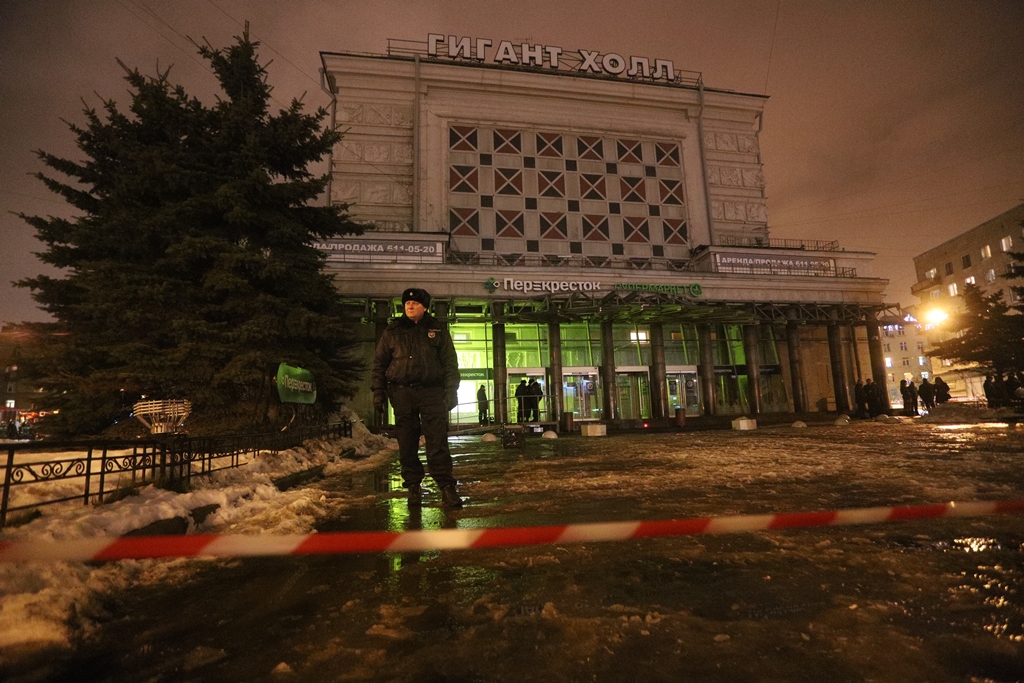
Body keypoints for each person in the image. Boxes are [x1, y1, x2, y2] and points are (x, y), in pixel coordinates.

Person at [371, 287, 463, 508]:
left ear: (425, 307)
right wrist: (378, 393)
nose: (410, 306)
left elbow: (450, 364)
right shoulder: (392, 332)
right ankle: (413, 487)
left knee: (437, 441)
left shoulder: (437, 330)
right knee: (407, 442)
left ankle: (446, 487)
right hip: (402, 393)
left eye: (415, 303)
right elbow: (379, 365)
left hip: (432, 392)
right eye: (406, 304)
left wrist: (451, 391)